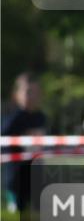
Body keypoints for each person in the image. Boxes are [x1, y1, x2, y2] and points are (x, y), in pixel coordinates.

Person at [2, 72, 47, 211]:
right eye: (28, 92)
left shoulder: (42, 118)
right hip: (15, 180)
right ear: (17, 94)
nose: (31, 96)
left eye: (35, 92)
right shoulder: (10, 119)